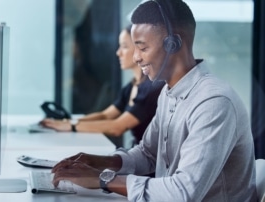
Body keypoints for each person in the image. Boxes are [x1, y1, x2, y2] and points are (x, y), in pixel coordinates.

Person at [50, 0, 257, 201]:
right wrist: (98, 162)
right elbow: (148, 154)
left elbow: (183, 192)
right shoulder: (168, 92)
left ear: (173, 43)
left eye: (142, 47)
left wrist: (103, 179)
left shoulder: (213, 102)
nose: (136, 58)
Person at [40, 24, 164, 147]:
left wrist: (71, 126)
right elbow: (105, 115)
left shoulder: (150, 88)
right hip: (138, 153)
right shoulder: (131, 87)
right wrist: (67, 122)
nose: (118, 52)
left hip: (150, 160)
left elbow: (117, 127)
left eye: (124, 47)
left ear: (140, 50)